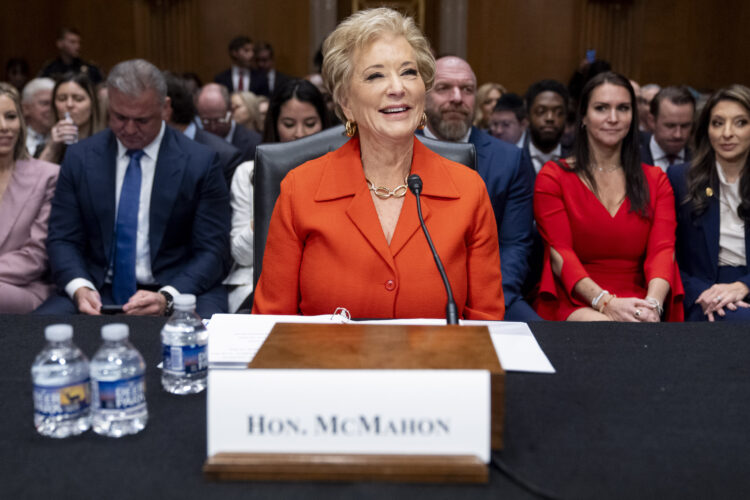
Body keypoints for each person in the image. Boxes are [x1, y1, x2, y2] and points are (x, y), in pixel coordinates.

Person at [252, 8, 504, 319]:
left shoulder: (468, 191)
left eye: (408, 72)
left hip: (441, 353)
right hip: (324, 353)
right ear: (346, 103)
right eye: (375, 75)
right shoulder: (299, 190)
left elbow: (488, 323)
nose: (397, 88)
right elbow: (270, 323)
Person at [36, 59, 231, 317]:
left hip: (178, 287)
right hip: (97, 288)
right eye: (119, 117)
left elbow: (213, 251)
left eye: (141, 120)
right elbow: (62, 238)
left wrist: (167, 297)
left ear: (165, 108)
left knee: (209, 336)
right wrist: (80, 287)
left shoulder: (200, 162)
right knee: (35, 332)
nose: (128, 129)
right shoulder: (80, 158)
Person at [534, 71, 683, 321]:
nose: (613, 118)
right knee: (609, 329)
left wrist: (653, 305)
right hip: (577, 299)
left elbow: (663, 252)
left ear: (633, 117)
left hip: (640, 300)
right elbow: (561, 255)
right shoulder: (554, 177)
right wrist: (606, 303)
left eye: (623, 108)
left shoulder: (656, 180)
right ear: (583, 116)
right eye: (601, 108)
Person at [421, 56, 537, 321]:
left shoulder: (509, 160)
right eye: (444, 88)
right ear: (423, 96)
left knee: (547, 343)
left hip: (494, 294)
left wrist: (489, 301)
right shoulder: (399, 152)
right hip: (418, 297)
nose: (457, 98)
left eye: (467, 89)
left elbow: (514, 245)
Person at [226, 79, 331, 313]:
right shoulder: (248, 173)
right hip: (257, 281)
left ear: (324, 125)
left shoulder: (339, 173)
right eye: (289, 124)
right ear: (275, 125)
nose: (299, 134)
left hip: (322, 281)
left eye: (310, 124)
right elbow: (241, 255)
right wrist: (275, 204)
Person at [668, 85, 750, 322]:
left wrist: (744, 286)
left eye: (740, 123)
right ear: (706, 129)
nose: (727, 133)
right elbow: (668, 256)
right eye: (717, 123)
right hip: (704, 294)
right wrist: (702, 294)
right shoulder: (680, 179)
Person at [0, 83, 59, 313]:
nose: (4, 127)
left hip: (26, 287)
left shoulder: (48, 176)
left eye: (10, 117)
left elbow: (36, 256)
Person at [164, 73, 244, 188]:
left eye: (143, 120)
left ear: (166, 110)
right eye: (206, 120)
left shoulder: (224, 156)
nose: (213, 127)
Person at [38, 72, 103, 165]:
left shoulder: (108, 145)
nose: (69, 104)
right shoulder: (44, 148)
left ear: (93, 105)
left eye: (78, 99)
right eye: (62, 99)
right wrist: (52, 149)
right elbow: (36, 174)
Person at [196, 83, 262, 164]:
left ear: (230, 111)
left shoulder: (254, 143)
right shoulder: (195, 141)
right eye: (206, 121)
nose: (213, 127)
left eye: (219, 120)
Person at [641, 86, 696, 171]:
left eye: (685, 126)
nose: (678, 135)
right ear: (652, 121)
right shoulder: (631, 160)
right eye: (670, 126)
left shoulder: (701, 163)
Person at [524, 79, 571, 174]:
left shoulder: (576, 164)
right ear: (527, 117)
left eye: (558, 112)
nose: (550, 118)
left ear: (566, 117)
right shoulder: (512, 162)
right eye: (541, 111)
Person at [21, 78, 55, 158]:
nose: (51, 109)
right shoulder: (15, 139)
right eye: (45, 103)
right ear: (26, 108)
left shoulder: (65, 139)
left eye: (53, 104)